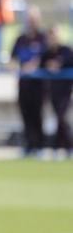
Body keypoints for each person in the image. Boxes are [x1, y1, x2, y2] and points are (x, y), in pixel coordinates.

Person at [10, 7, 47, 158]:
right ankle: (28, 146)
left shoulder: (42, 38)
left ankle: (39, 146)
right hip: (24, 83)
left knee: (37, 114)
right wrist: (17, 68)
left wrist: (33, 66)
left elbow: (45, 56)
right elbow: (13, 58)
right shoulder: (21, 38)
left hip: (39, 84)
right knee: (25, 115)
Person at [39, 26, 73, 159]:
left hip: (65, 91)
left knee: (61, 117)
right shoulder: (46, 53)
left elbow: (68, 62)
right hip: (52, 90)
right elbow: (41, 64)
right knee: (56, 119)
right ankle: (59, 147)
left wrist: (59, 65)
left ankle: (67, 146)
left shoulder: (66, 51)